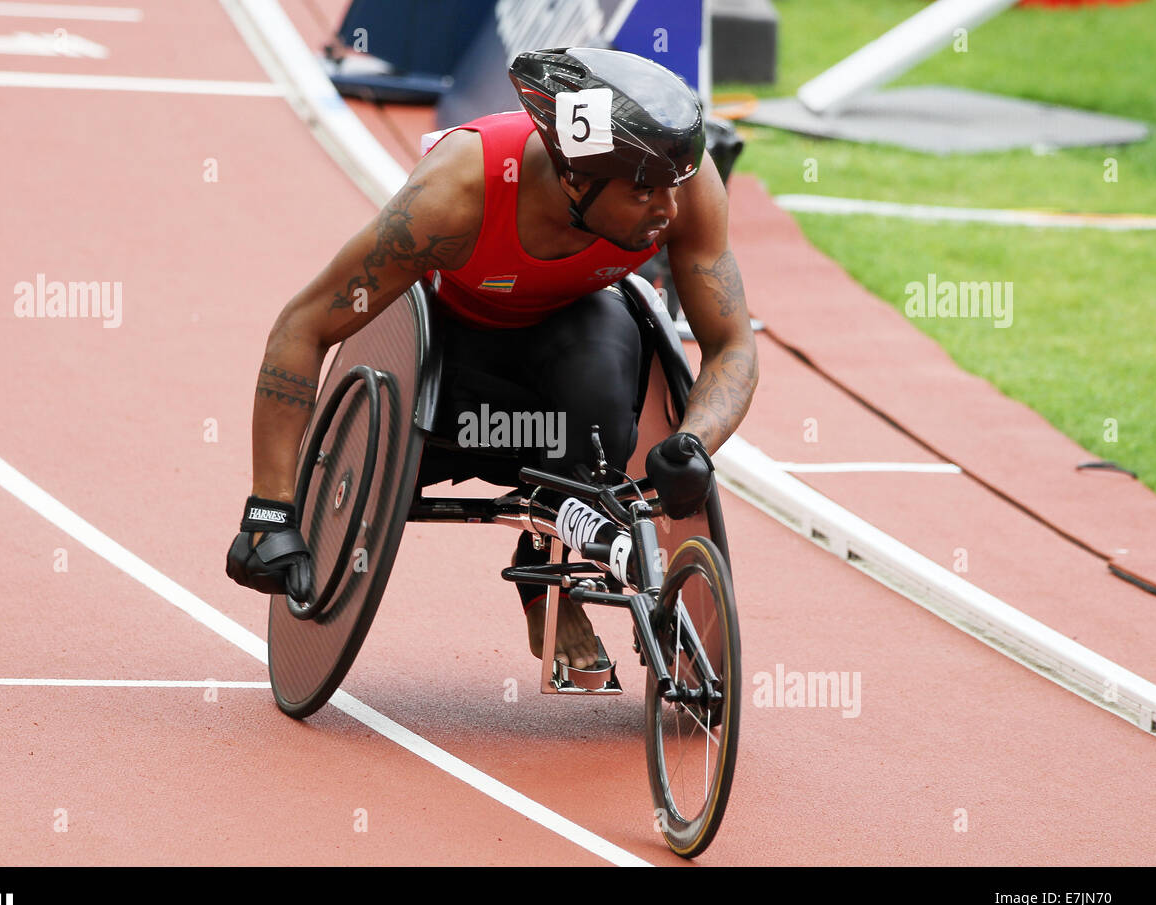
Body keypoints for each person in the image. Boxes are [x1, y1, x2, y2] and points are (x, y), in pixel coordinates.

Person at [227, 47, 758, 670]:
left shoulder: (682, 187)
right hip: (452, 362)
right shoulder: (456, 194)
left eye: (672, 187)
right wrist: (269, 505)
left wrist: (695, 441)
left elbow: (731, 344)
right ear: (573, 178)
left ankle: (546, 574)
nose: (667, 211)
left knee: (605, 361)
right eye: (642, 193)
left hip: (571, 344)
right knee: (462, 407)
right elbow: (304, 325)